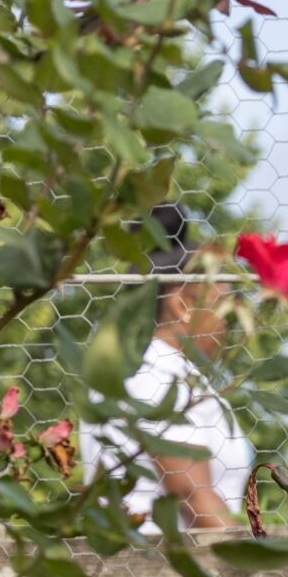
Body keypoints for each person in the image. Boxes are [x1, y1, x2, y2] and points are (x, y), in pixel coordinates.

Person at [78, 203, 251, 532]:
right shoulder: (158, 377)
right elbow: (192, 495)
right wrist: (265, 569)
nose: (228, 322)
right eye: (221, 304)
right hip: (158, 571)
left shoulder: (154, 371)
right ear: (182, 303)